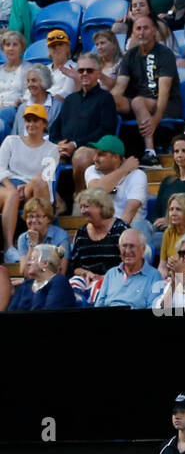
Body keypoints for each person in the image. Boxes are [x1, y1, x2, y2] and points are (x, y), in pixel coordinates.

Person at [112, 15, 180, 166]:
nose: (142, 32)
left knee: (137, 101)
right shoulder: (130, 55)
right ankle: (110, 151)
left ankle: (150, 152)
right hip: (140, 104)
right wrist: (106, 101)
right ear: (133, 33)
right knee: (111, 101)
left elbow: (165, 92)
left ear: (154, 31)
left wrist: (156, 119)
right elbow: (119, 87)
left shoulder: (165, 54)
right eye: (138, 28)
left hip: (167, 104)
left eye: (146, 28)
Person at [49, 52, 117, 194]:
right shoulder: (70, 100)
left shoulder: (106, 98)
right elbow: (54, 129)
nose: (84, 73)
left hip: (91, 148)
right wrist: (59, 144)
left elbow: (106, 130)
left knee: (81, 156)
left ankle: (79, 199)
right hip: (64, 149)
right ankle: (56, 202)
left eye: (89, 70)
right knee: (34, 152)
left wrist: (74, 144)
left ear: (98, 74)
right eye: (81, 70)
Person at [0, 102, 55, 253]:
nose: (31, 124)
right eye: (28, 120)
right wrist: (10, 186)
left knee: (38, 181)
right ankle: (9, 248)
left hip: (32, 187)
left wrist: (27, 187)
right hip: (5, 186)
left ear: (44, 123)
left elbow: (47, 178)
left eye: (35, 120)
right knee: (11, 194)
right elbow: (0, 167)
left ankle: (35, 243)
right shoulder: (11, 141)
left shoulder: (52, 149)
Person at [67, 188, 128, 300]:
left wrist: (105, 277)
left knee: (98, 289)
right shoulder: (81, 233)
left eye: (86, 206)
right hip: (86, 281)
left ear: (101, 206)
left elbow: (129, 263)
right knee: (71, 287)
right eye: (81, 207)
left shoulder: (120, 229)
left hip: (114, 281)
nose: (82, 211)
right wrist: (86, 273)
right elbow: (74, 267)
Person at [83, 134, 149, 238]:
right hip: (101, 231)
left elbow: (129, 213)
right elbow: (95, 193)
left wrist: (111, 238)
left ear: (115, 157)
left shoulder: (137, 175)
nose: (95, 158)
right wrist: (123, 169)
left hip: (131, 232)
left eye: (101, 155)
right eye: (95, 153)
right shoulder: (92, 170)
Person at [95, 229, 163, 307]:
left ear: (143, 249)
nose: (127, 251)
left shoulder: (154, 276)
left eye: (132, 246)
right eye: (124, 246)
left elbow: (153, 308)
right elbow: (98, 306)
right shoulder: (111, 274)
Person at [8, 242, 76, 311]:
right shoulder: (25, 285)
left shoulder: (59, 282)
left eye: (32, 259)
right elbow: (11, 312)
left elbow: (50, 312)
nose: (28, 263)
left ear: (45, 263)